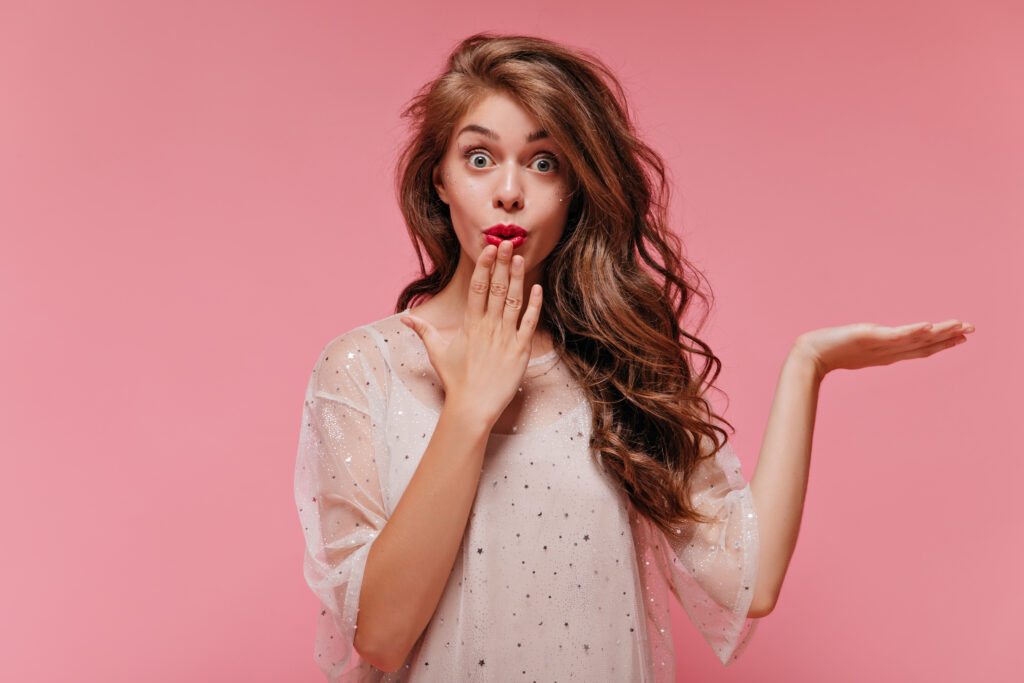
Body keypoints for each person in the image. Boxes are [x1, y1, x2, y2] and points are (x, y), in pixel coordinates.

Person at [293, 33, 974, 682]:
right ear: (439, 180)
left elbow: (748, 579)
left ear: (576, 189)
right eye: (479, 157)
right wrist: (470, 408)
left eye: (543, 161)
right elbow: (380, 634)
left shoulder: (616, 364)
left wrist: (809, 364)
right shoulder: (363, 368)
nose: (508, 190)